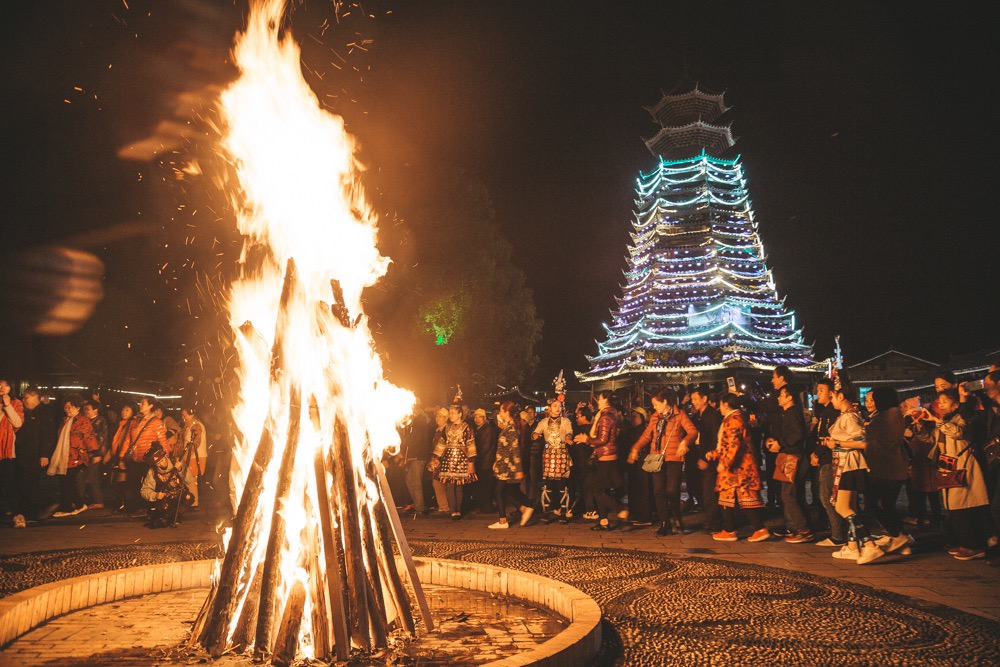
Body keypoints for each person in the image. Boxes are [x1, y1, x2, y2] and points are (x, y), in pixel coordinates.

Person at [824, 386, 901, 564]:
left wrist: (837, 443)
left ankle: (869, 544)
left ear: (841, 396)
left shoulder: (850, 417)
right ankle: (852, 546)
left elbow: (863, 440)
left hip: (849, 466)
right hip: (847, 465)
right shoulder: (848, 416)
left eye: (832, 396)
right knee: (848, 506)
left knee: (842, 508)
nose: (831, 400)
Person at [912, 388, 990, 560]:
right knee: (955, 507)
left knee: (962, 507)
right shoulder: (945, 420)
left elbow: (958, 433)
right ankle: (966, 543)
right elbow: (931, 439)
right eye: (939, 401)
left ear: (956, 404)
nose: (940, 405)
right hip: (950, 468)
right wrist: (920, 425)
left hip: (964, 467)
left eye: (944, 401)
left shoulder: (962, 418)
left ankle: (973, 546)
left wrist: (936, 420)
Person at [627, 388, 698, 536]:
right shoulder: (655, 418)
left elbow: (693, 432)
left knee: (672, 490)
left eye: (655, 403)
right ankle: (664, 522)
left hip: (674, 458)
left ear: (664, 402)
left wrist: (684, 442)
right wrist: (635, 448)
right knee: (658, 491)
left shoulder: (680, 415)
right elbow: (647, 436)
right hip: (657, 458)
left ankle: (677, 515)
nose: (654, 406)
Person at [704, 393, 770, 542]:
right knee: (729, 497)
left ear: (726, 404)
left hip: (740, 469)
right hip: (736, 468)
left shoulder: (734, 420)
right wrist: (715, 454)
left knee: (745, 498)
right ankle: (730, 530)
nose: (719, 408)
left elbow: (734, 444)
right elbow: (727, 444)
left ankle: (757, 529)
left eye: (720, 404)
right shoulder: (732, 419)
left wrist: (725, 462)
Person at [864, 387, 912, 549]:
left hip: (883, 467)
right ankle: (902, 538)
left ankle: (897, 534)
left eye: (874, 399)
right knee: (888, 503)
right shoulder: (897, 414)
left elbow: (864, 435)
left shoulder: (883, 418)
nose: (873, 402)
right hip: (897, 467)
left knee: (872, 503)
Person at [574, 390, 628, 531]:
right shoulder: (608, 415)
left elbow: (602, 440)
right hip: (605, 456)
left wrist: (586, 439)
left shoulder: (605, 418)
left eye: (599, 398)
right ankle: (604, 520)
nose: (597, 401)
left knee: (594, 487)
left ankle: (620, 510)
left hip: (607, 458)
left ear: (605, 400)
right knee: (597, 488)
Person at [765, 385, 812, 543]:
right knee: (793, 494)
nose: (778, 398)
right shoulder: (789, 413)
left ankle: (802, 529)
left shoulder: (792, 413)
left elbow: (797, 434)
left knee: (788, 494)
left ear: (789, 397)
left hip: (793, 457)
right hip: (791, 455)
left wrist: (781, 443)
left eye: (781, 395)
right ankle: (800, 527)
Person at [47, 394, 100, 516]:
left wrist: (94, 453)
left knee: (69, 481)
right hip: (65, 456)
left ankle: (74, 506)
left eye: (70, 407)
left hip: (77, 457)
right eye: (65, 407)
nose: (67, 409)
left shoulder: (82, 421)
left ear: (77, 408)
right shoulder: (65, 420)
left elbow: (89, 437)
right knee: (64, 480)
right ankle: (71, 505)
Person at [809, 379, 847, 546]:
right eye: (818, 390)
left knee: (827, 497)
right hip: (825, 458)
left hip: (830, 459)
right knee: (827, 496)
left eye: (822, 390)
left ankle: (838, 535)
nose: (819, 394)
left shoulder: (833, 413)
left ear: (832, 393)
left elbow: (830, 437)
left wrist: (817, 454)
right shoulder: (825, 411)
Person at [489, 401, 533, 529]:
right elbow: (504, 447)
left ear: (506, 412)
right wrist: (496, 461)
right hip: (503, 464)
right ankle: (525, 508)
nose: (499, 413)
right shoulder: (508, 427)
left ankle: (503, 520)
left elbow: (514, 449)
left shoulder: (511, 428)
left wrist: (519, 469)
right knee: (508, 491)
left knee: (499, 491)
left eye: (501, 411)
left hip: (507, 467)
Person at [428, 403, 477, 519]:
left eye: (453, 413)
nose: (451, 415)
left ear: (460, 414)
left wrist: (471, 462)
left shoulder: (467, 427)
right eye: (450, 413)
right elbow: (441, 443)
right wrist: (436, 458)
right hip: (448, 459)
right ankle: (452, 510)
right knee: (450, 484)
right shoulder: (447, 427)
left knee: (459, 485)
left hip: (461, 459)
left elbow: (471, 444)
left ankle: (458, 510)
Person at [533, 398, 574, 522]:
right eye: (555, 406)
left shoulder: (566, 421)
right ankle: (547, 512)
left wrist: (567, 438)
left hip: (561, 453)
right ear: (549, 408)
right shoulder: (544, 422)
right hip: (549, 453)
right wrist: (536, 435)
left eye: (560, 406)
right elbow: (535, 432)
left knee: (562, 484)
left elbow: (569, 433)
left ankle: (562, 512)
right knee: (548, 484)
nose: (558, 408)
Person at [126, 397, 167, 516]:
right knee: (134, 482)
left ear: (151, 406)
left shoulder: (156, 422)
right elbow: (128, 440)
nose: (140, 405)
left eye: (143, 403)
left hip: (148, 459)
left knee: (147, 484)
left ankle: (147, 507)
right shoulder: (135, 421)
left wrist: (165, 459)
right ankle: (139, 507)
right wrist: (123, 456)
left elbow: (163, 441)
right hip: (135, 457)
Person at [690, 389, 723, 534]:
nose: (693, 402)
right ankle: (709, 520)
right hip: (700, 456)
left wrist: (707, 459)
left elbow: (715, 439)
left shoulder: (712, 415)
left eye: (696, 399)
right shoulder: (698, 415)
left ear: (704, 399)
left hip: (710, 458)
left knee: (710, 491)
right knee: (703, 490)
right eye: (692, 399)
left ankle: (714, 523)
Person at [140, 443, 193, 528]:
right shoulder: (152, 471)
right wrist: (155, 495)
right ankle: (167, 518)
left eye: (162, 460)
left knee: (189, 497)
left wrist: (180, 469)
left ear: (165, 456)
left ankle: (176, 516)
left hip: (179, 495)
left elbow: (189, 480)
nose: (161, 464)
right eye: (158, 463)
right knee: (163, 507)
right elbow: (144, 490)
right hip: (165, 498)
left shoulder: (176, 462)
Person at [0, 379, 25, 526]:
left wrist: (7, 405)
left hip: (7, 452)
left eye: (5, 385)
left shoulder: (16, 403)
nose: (2, 387)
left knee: (10, 484)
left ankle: (18, 514)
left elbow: (17, 423)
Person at [623, 406, 652, 527]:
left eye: (635, 416)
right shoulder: (631, 430)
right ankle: (634, 513)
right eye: (632, 416)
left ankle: (644, 516)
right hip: (633, 464)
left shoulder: (644, 430)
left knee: (642, 488)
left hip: (642, 462)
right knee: (633, 488)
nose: (633, 419)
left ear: (642, 417)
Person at [107, 403, 138, 512]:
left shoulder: (132, 424)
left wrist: (122, 457)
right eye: (123, 410)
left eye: (127, 410)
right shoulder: (120, 424)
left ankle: (123, 503)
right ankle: (121, 503)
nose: (123, 412)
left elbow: (128, 441)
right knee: (119, 480)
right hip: (118, 454)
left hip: (126, 456)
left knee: (123, 480)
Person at [401, 407, 430, 515]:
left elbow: (415, 439)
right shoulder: (415, 422)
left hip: (418, 456)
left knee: (416, 482)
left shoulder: (419, 422)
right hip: (413, 456)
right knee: (409, 480)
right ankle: (418, 504)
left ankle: (420, 508)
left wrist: (404, 442)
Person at [79, 400, 108, 509]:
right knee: (84, 477)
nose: (86, 411)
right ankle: (84, 500)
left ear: (95, 410)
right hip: (86, 454)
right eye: (85, 409)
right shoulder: (85, 420)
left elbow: (100, 439)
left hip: (95, 454)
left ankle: (98, 501)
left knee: (92, 477)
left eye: (88, 409)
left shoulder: (100, 421)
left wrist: (97, 454)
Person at [571, 403, 597, 520]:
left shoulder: (580, 430)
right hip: (592, 464)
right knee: (587, 488)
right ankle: (583, 508)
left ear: (584, 417)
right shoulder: (594, 430)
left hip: (582, 464)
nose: (577, 418)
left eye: (578, 416)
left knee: (586, 489)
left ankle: (591, 510)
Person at [179, 405, 208, 508]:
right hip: (191, 456)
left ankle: (194, 503)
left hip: (196, 456)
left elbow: (196, 442)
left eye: (185, 415)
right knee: (188, 479)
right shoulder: (189, 425)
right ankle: (190, 501)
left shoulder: (196, 426)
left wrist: (186, 455)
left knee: (191, 480)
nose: (183, 417)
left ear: (192, 415)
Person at [472, 407, 498, 514]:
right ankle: (484, 506)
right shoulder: (479, 429)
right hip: (482, 462)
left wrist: (475, 456)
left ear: (484, 418)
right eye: (475, 417)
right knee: (483, 485)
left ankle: (487, 507)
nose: (477, 419)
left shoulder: (487, 429)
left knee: (486, 485)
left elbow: (485, 447)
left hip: (486, 462)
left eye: (480, 417)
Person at [428, 407, 451, 514]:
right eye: (437, 416)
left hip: (443, 460)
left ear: (446, 418)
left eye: (441, 417)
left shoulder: (447, 430)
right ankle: (444, 505)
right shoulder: (437, 430)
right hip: (436, 460)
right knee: (437, 482)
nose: (438, 418)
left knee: (440, 483)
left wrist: (439, 459)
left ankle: (445, 506)